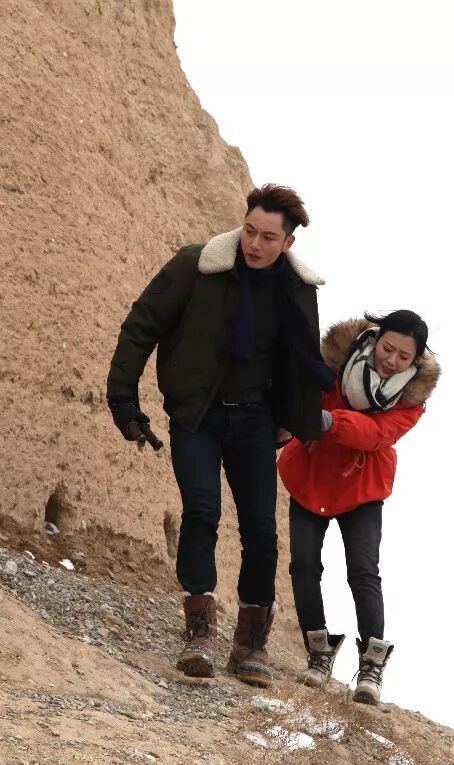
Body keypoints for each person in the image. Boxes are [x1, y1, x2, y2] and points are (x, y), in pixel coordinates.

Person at [106, 184, 331, 687]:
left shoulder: (296, 287)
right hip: (198, 416)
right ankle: (199, 633)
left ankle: (250, 645)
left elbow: (301, 357)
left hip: (255, 422)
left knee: (261, 532)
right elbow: (142, 325)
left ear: (288, 243)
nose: (254, 244)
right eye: (249, 231)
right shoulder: (198, 265)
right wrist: (123, 398)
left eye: (268, 237)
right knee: (202, 511)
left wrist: (295, 418)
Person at [277, 310, 439, 704]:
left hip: (362, 486)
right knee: (303, 566)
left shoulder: (412, 397)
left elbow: (380, 434)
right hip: (312, 473)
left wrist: (331, 421)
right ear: (376, 338)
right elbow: (302, 392)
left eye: (404, 356)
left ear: (415, 360)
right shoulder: (334, 360)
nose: (392, 360)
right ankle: (318, 652)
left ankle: (371, 665)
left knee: (364, 572)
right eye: (388, 348)